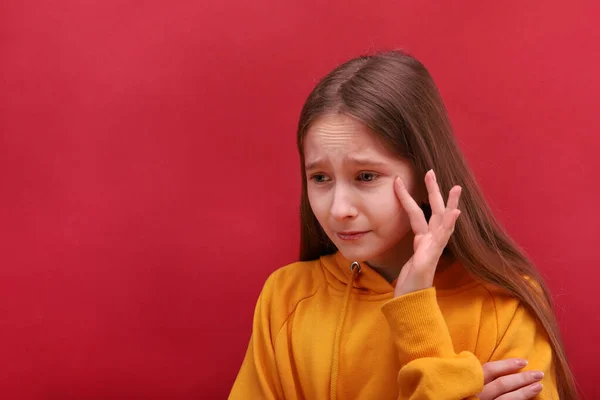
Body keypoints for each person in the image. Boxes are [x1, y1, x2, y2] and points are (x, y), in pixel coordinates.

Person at [229, 50, 577, 399]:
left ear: (425, 173)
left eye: (366, 176)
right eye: (320, 178)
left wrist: (415, 312)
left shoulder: (503, 304)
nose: (338, 209)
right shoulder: (286, 297)